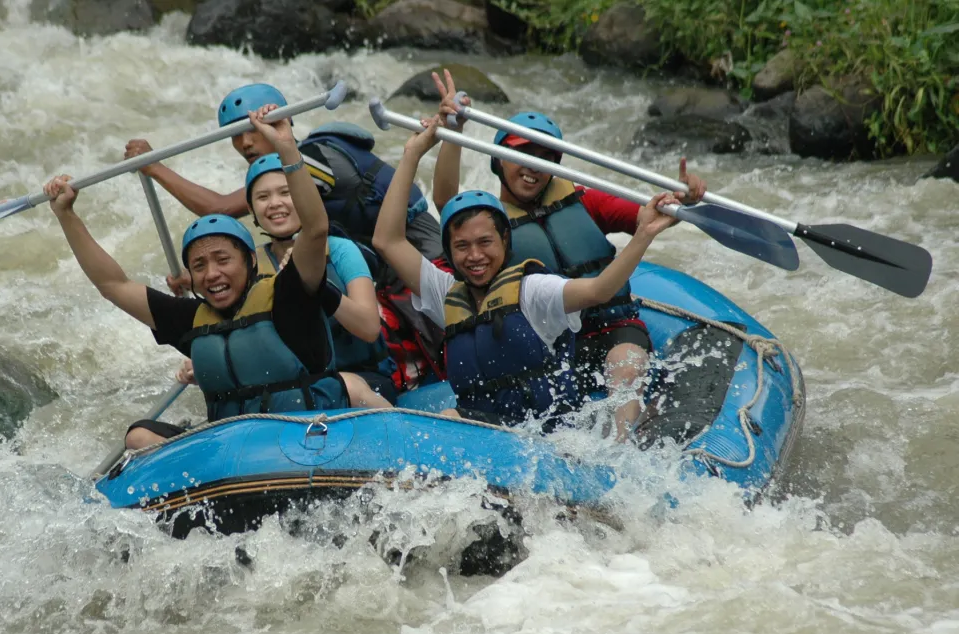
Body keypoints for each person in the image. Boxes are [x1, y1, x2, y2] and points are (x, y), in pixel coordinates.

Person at [46, 106, 348, 450]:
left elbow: (315, 228)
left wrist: (287, 149)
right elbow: (113, 285)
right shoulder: (191, 319)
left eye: (223, 260)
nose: (212, 274)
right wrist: (66, 215)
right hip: (232, 450)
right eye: (199, 265)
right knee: (140, 436)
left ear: (251, 261)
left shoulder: (289, 295)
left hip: (304, 439)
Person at [430, 69, 707, 438]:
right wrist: (453, 132)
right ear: (498, 160)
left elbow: (649, 216)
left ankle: (621, 452)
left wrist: (683, 201)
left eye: (545, 156)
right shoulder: (491, 229)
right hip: (551, 343)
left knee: (625, 368)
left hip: (610, 326)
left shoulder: (583, 200)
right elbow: (447, 204)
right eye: (522, 153)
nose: (533, 166)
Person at [125, 83, 448, 392]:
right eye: (235, 135)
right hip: (376, 259)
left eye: (252, 129)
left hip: (415, 255)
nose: (245, 143)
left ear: (282, 123)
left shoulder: (310, 161)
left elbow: (219, 208)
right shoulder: (278, 196)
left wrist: (155, 167)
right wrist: (202, 276)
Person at [372, 118, 681, 438]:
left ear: (506, 241)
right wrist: (412, 153)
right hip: (492, 429)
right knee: (450, 417)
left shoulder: (532, 290)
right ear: (449, 252)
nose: (475, 256)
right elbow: (387, 241)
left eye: (485, 243)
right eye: (462, 246)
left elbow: (599, 290)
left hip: (546, 433)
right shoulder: (445, 293)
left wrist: (643, 235)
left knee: (451, 417)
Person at [242, 151, 394, 407]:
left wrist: (315, 282)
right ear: (251, 209)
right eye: (263, 197)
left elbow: (369, 328)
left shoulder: (341, 250)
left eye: (286, 192)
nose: (274, 203)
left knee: (339, 385)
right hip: (296, 387)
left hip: (363, 379)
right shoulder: (252, 265)